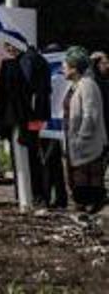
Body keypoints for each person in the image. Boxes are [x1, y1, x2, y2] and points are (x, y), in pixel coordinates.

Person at [62, 47, 107, 213]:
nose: (63, 68)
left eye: (65, 65)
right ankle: (84, 210)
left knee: (88, 181)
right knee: (78, 180)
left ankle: (91, 210)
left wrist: (81, 138)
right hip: (75, 142)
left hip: (87, 146)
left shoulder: (87, 85)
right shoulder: (75, 85)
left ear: (74, 68)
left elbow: (91, 114)